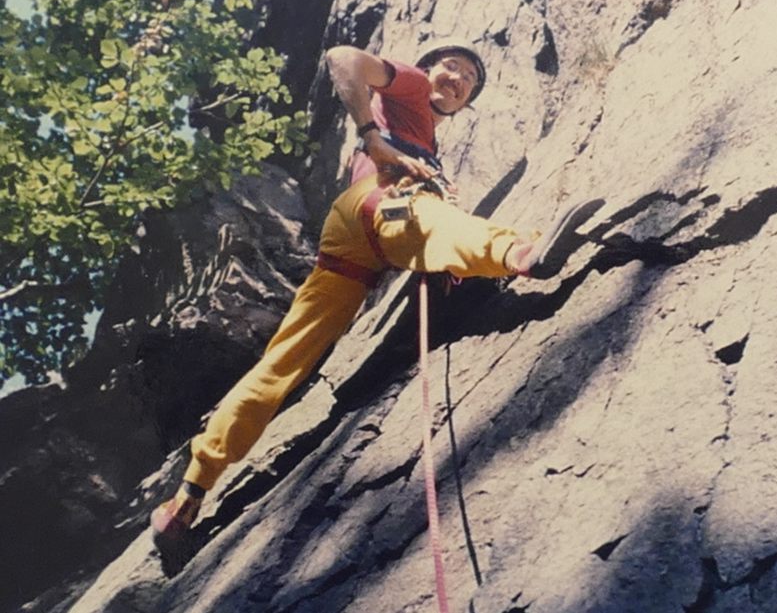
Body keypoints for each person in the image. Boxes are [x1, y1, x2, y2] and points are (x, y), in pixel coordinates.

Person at [150, 41, 603, 551]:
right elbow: (342, 58)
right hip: (383, 204)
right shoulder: (408, 89)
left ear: (465, 104)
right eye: (451, 67)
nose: (457, 79)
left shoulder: (421, 133)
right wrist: (371, 136)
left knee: (283, 361)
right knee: (430, 220)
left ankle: (190, 492)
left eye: (468, 81)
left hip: (350, 243)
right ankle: (519, 253)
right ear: (427, 69)